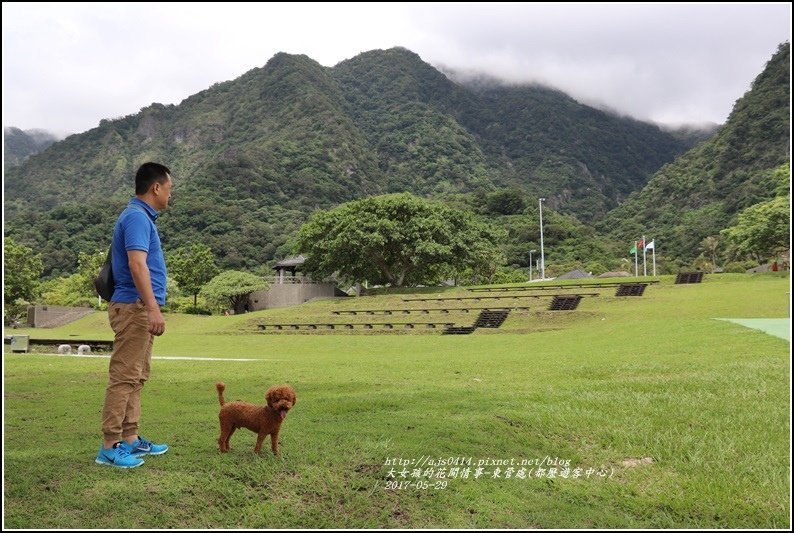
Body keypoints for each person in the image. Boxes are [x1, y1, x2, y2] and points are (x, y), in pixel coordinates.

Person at [95, 162, 173, 468]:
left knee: (137, 377)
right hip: (135, 307)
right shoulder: (137, 218)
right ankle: (109, 446)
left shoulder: (140, 217)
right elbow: (137, 265)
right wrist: (153, 308)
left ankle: (130, 438)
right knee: (124, 377)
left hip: (137, 306)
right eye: (169, 188)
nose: (170, 194)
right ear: (156, 187)